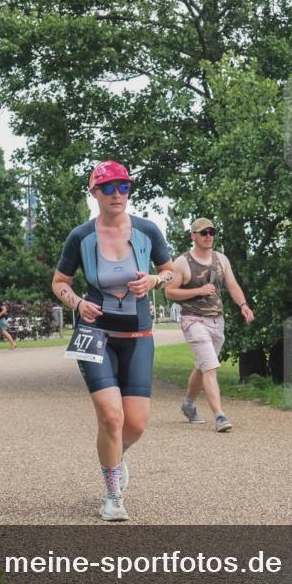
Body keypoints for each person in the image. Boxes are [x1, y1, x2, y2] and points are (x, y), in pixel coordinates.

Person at [51, 159, 176, 522]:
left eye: (124, 186)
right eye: (108, 187)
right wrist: (77, 303)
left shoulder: (147, 231)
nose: (117, 194)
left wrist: (154, 281)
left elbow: (169, 271)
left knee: (135, 424)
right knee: (110, 415)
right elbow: (60, 282)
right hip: (95, 335)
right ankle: (112, 494)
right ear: (94, 193)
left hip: (138, 335)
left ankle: (117, 457)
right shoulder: (81, 236)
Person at [164, 218, 254, 433]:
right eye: (203, 232)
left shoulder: (221, 259)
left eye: (212, 232)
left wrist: (243, 305)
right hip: (193, 320)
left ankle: (188, 404)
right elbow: (169, 292)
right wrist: (198, 291)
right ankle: (220, 416)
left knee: (204, 365)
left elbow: (232, 285)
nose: (208, 236)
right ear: (193, 236)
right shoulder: (182, 262)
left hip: (217, 321)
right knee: (210, 367)